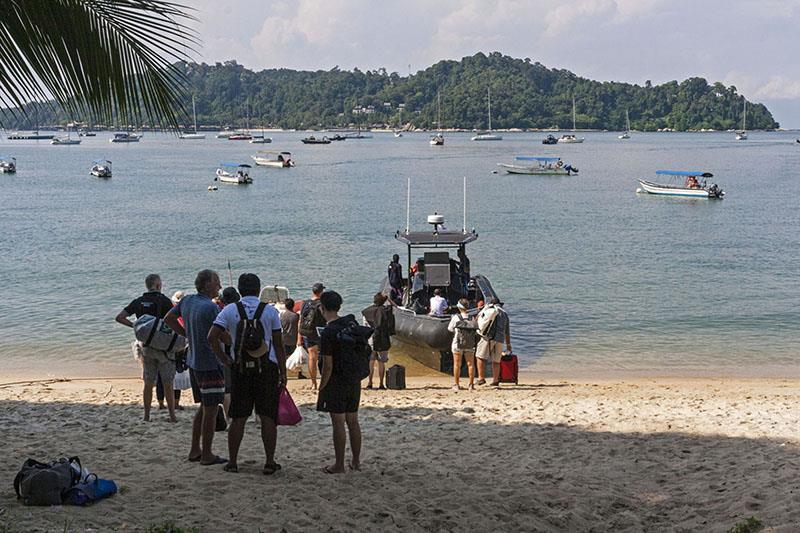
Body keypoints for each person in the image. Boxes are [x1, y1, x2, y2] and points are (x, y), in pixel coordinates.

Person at [208, 273, 287, 475]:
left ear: (240, 290)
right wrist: (282, 372)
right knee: (268, 417)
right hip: (266, 370)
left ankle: (233, 462)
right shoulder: (269, 311)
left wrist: (224, 359)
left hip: (240, 369)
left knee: (238, 417)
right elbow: (278, 344)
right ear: (258, 288)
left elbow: (212, 336)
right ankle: (269, 462)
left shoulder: (230, 310)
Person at [164, 269, 227, 466]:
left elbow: (168, 319)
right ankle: (207, 453)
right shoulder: (211, 308)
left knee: (204, 407)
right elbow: (222, 336)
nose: (220, 286)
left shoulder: (187, 301)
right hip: (210, 363)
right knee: (211, 409)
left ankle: (195, 449)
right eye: (217, 282)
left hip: (194, 362)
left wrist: (186, 334)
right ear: (207, 284)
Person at [115, 273, 177, 422]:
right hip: (163, 348)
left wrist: (135, 326)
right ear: (157, 285)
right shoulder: (165, 301)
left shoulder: (139, 301)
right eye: (160, 283)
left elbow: (119, 317)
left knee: (148, 383)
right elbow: (173, 320)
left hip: (146, 347)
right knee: (168, 384)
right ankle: (172, 416)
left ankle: (147, 416)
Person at [317, 290, 362, 474]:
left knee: (338, 423)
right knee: (353, 421)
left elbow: (327, 365)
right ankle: (356, 461)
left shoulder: (328, 332)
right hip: (353, 379)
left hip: (336, 381)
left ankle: (339, 464)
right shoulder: (350, 323)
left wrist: (322, 385)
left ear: (323, 308)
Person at [475, 298, 512, 387]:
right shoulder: (504, 314)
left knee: (480, 357)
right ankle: (495, 380)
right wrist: (508, 344)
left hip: (488, 338)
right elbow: (507, 331)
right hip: (500, 339)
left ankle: (481, 378)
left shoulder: (490, 311)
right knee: (496, 361)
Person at [361, 292, 394, 390]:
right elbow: (394, 307)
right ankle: (381, 384)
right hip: (383, 338)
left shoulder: (366, 312)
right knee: (381, 362)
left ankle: (370, 383)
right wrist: (389, 299)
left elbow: (365, 327)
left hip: (371, 338)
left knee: (371, 362)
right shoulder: (386, 311)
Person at [298, 282, 326, 390]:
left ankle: (313, 383)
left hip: (307, 332)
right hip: (320, 332)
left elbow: (301, 320)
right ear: (321, 292)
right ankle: (324, 380)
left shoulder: (305, 303)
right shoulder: (323, 304)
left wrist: (299, 337)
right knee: (324, 357)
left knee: (312, 357)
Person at [219, 287, 240, 423]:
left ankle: (229, 417)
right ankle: (255, 416)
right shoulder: (241, 311)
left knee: (228, 389)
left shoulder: (221, 313)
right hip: (242, 352)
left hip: (226, 354)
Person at [447, 298, 477, 391]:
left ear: (459, 307)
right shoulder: (472, 317)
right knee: (471, 364)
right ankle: (471, 385)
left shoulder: (456, 317)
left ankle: (456, 385)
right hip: (470, 344)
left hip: (457, 344)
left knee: (457, 364)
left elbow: (450, 329)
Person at [280, 298, 303, 378]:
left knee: (283, 357)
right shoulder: (296, 316)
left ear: (285, 306)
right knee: (297, 358)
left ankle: (283, 374)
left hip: (285, 340)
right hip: (294, 340)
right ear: (293, 306)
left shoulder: (282, 316)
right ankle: (299, 374)